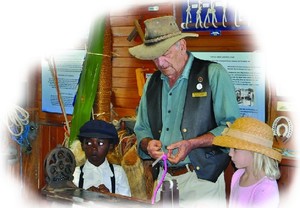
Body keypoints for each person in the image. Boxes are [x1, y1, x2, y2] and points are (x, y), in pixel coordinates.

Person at [129, 16, 240, 207]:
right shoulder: (152, 83)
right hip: (163, 179)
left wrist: (192, 143)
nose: (161, 63)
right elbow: (142, 128)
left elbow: (231, 129)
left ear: (182, 45)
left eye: (165, 54)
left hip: (201, 181)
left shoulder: (213, 74)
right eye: (155, 57)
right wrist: (148, 144)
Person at [213, 117, 282, 208]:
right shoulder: (238, 175)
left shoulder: (266, 189)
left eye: (235, 149)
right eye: (230, 148)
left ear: (254, 152)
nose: (230, 153)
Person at [73, 119, 131, 197]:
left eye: (100, 143)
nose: (94, 148)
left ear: (110, 146)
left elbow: (127, 204)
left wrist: (110, 198)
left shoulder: (118, 173)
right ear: (82, 146)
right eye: (89, 143)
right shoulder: (75, 174)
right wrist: (83, 197)